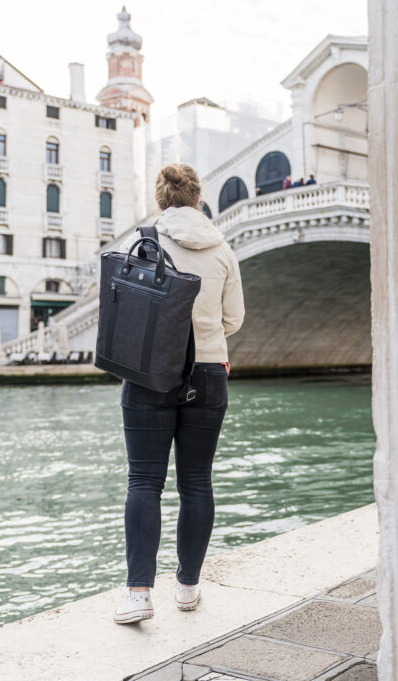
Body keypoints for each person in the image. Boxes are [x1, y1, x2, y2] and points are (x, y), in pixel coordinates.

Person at [113, 163, 245, 624]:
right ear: (196, 197)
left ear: (162, 198)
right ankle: (187, 587)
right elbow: (234, 321)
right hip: (209, 372)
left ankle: (138, 595)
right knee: (197, 482)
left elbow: (125, 310)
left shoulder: (145, 241)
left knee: (144, 482)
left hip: (150, 374)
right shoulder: (223, 249)